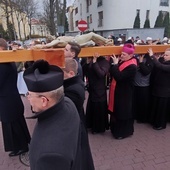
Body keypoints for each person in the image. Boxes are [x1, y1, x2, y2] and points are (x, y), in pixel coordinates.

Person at [23, 59, 83, 170]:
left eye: (30, 94)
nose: (28, 98)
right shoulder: (68, 103)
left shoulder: (49, 155)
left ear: (44, 101)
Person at [0, 38, 31, 156]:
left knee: (11, 123)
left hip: (6, 99)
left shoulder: (3, 63)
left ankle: (20, 146)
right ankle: (23, 143)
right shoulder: (8, 61)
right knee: (17, 121)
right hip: (11, 96)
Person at [63, 58, 95, 170]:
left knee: (79, 158)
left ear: (71, 73)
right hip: (76, 124)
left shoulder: (74, 89)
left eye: (60, 73)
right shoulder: (73, 83)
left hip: (75, 127)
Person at [108, 43, 137, 139]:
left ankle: (123, 132)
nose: (121, 56)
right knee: (117, 111)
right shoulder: (122, 61)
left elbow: (119, 77)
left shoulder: (132, 66)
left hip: (125, 93)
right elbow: (113, 71)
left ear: (131, 55)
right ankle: (115, 129)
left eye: (124, 54)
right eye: (121, 54)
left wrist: (115, 64)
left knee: (123, 113)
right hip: (118, 91)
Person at [84, 54, 110, 134]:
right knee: (92, 108)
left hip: (100, 90)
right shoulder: (91, 60)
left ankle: (98, 128)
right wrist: (88, 63)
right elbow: (85, 72)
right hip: (92, 89)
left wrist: (95, 63)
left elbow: (101, 74)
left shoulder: (105, 62)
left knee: (99, 109)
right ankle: (91, 125)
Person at [148, 48, 170, 130]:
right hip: (158, 89)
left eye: (167, 55)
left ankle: (161, 124)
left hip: (165, 91)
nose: (164, 56)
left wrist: (152, 56)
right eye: (164, 54)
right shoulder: (164, 61)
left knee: (162, 109)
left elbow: (160, 66)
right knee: (156, 107)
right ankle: (154, 121)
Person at [133, 54, 154, 123]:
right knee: (135, 102)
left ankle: (142, 118)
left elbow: (146, 72)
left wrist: (141, 63)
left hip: (144, 86)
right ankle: (136, 116)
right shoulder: (135, 58)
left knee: (143, 104)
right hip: (135, 85)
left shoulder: (149, 60)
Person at [33, 32, 113, 49]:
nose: (52, 36)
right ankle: (106, 41)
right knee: (91, 34)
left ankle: (105, 42)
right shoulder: (57, 40)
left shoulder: (58, 40)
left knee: (93, 37)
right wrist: (40, 46)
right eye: (51, 36)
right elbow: (48, 45)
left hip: (76, 41)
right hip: (76, 40)